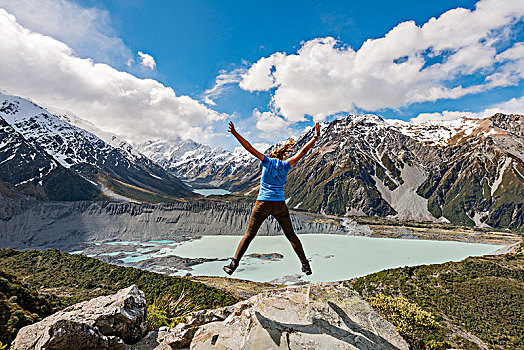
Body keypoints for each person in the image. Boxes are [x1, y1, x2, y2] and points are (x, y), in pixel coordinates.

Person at [223, 121, 321, 276]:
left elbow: (248, 147)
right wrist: (315, 137)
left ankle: (233, 265)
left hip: (262, 203)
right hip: (280, 205)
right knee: (290, 235)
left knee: (249, 235)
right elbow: (303, 152)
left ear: (272, 155)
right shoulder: (286, 165)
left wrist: (235, 133)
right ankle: (305, 265)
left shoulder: (267, 162)